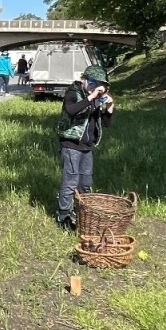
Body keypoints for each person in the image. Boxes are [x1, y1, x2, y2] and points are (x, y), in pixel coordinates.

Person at [57, 64, 115, 230]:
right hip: (71, 144)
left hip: (87, 146)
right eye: (92, 83)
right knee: (71, 180)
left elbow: (106, 123)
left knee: (85, 182)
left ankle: (81, 212)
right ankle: (64, 216)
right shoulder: (73, 92)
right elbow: (71, 110)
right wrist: (91, 98)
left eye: (98, 85)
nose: (94, 87)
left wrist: (109, 107)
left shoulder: (96, 97)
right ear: (83, 80)